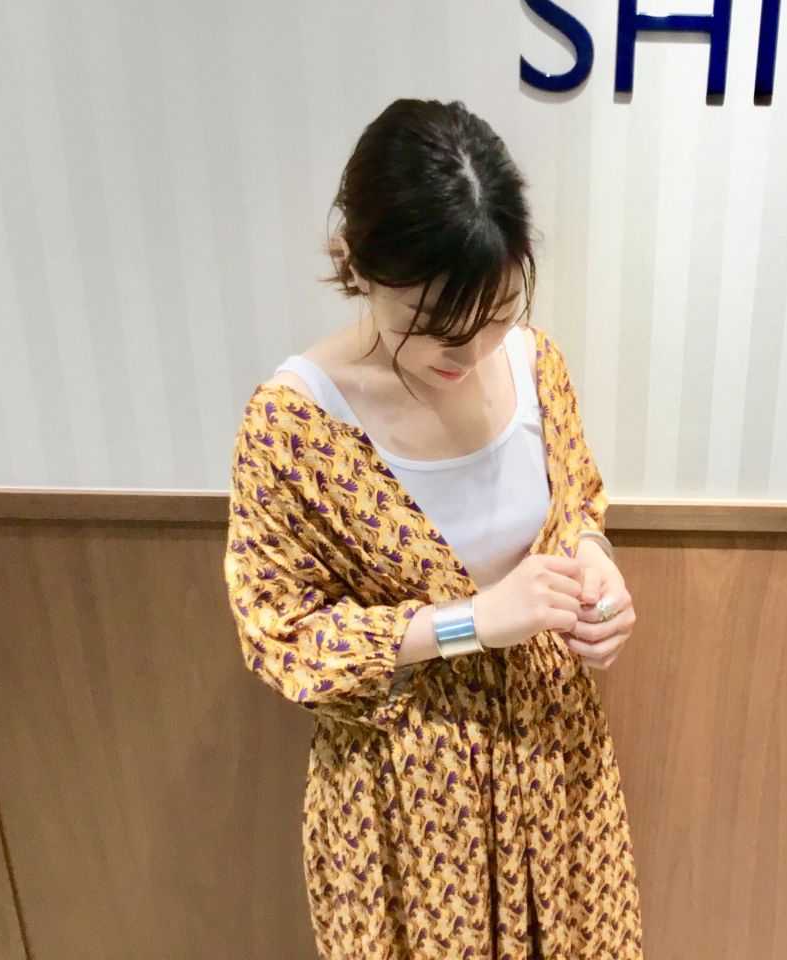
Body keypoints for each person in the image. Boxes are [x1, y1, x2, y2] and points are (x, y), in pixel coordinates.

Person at [223, 98, 644, 959]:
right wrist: (471, 621)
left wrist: (594, 564)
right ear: (356, 262)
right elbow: (282, 638)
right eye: (437, 329)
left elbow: (578, 501)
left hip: (556, 758)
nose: (471, 353)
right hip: (409, 804)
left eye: (495, 313)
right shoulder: (295, 425)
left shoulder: (536, 363)